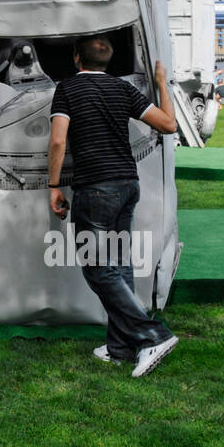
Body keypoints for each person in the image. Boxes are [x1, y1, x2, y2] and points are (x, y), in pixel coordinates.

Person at [48, 34, 179, 379]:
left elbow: (59, 138)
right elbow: (169, 124)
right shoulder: (123, 90)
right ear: (109, 62)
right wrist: (162, 84)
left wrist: (53, 186)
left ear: (77, 59)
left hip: (95, 189)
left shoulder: (67, 89)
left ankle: (154, 335)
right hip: (127, 185)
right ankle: (120, 347)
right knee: (119, 266)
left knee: (98, 268)